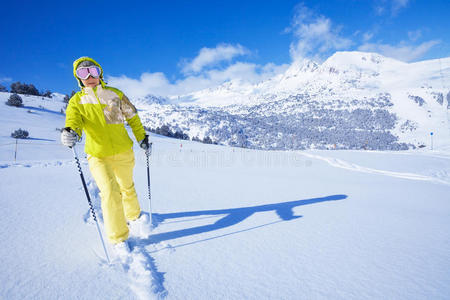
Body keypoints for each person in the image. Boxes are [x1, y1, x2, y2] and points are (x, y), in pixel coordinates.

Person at [61, 56, 150, 254]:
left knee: (127, 187)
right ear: (78, 78)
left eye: (93, 70)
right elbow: (73, 122)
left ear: (100, 72)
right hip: (98, 154)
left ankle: (135, 216)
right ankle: (118, 237)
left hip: (123, 151)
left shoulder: (116, 94)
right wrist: (70, 132)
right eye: (83, 73)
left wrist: (142, 138)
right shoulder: (76, 102)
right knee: (110, 192)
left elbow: (133, 119)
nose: (90, 76)